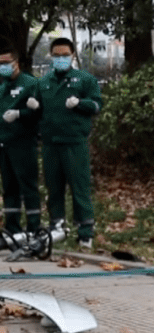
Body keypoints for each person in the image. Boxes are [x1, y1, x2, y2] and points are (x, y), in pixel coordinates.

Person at [28, 38, 103, 249]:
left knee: (79, 188)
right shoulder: (43, 82)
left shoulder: (85, 80)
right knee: (54, 188)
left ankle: (85, 232)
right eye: (57, 55)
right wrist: (34, 107)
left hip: (74, 143)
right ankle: (57, 227)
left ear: (72, 55)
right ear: (51, 56)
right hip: (51, 144)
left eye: (64, 55)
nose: (60, 59)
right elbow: (38, 111)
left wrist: (81, 103)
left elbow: (97, 105)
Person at [0, 48, 42, 236]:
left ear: (16, 63)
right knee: (9, 188)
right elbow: (3, 110)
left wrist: (20, 114)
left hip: (23, 143)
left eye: (5, 63)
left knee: (28, 186)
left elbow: (37, 113)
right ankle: (12, 228)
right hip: (5, 143)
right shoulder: (2, 87)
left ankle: (34, 227)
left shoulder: (30, 83)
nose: (2, 67)